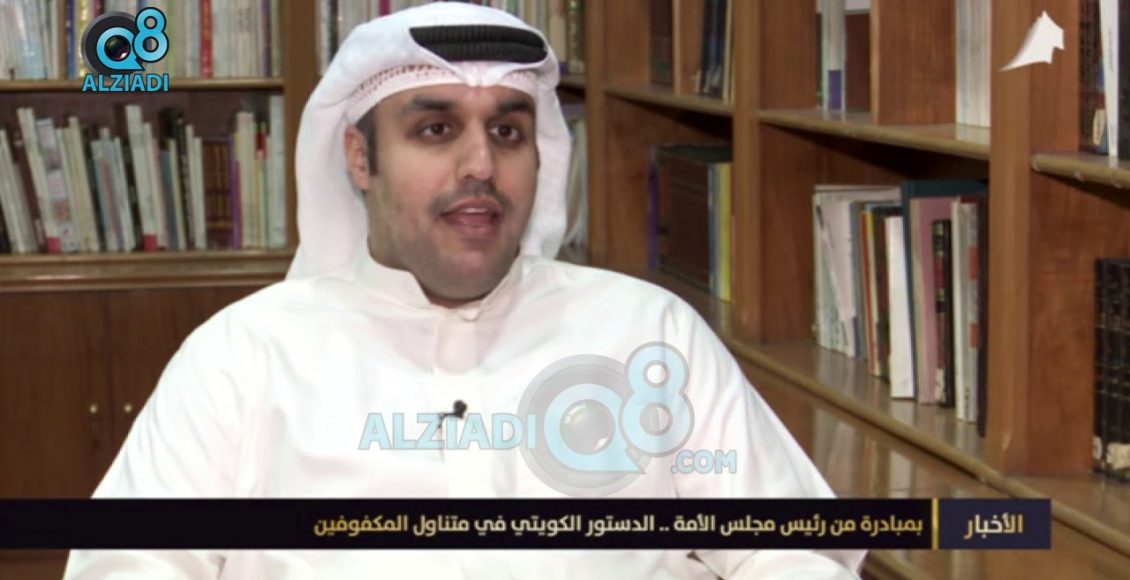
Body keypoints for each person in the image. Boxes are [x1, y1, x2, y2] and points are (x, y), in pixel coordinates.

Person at [64, 4, 864, 578]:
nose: (481, 164)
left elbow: (790, 548)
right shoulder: (244, 354)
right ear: (360, 158)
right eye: (436, 129)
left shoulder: (648, 330)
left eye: (508, 131)